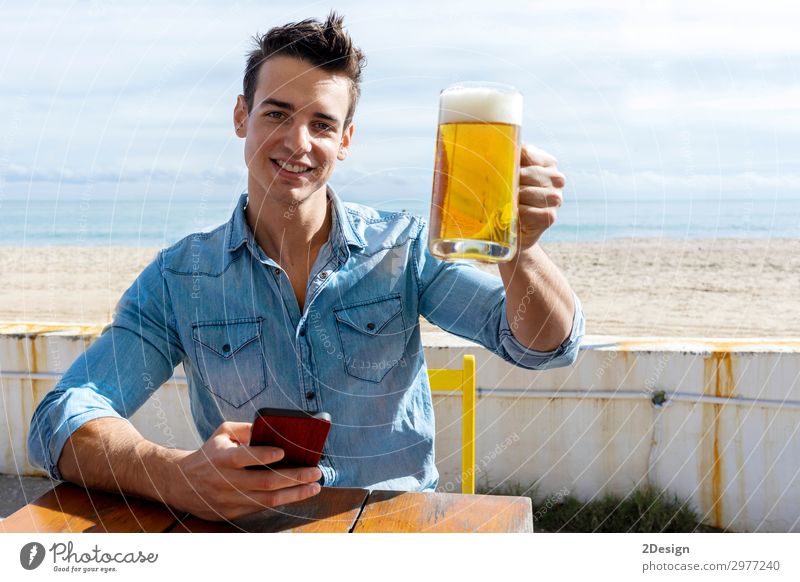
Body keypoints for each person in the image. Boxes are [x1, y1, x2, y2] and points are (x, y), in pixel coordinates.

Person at [28, 12, 584, 522]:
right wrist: (175, 476)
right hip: (252, 543)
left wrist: (522, 252)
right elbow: (61, 416)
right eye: (276, 113)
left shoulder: (402, 249)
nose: (298, 141)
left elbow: (542, 347)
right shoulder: (182, 280)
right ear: (241, 115)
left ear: (344, 141)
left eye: (322, 124)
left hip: (395, 537)